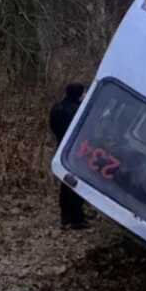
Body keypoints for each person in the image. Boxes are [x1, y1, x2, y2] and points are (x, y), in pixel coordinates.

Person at [50, 83, 88, 229]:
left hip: (61, 148)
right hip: (78, 151)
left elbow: (53, 127)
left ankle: (65, 217)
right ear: (79, 94)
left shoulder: (56, 108)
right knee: (76, 185)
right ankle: (77, 218)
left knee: (65, 183)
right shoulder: (78, 111)